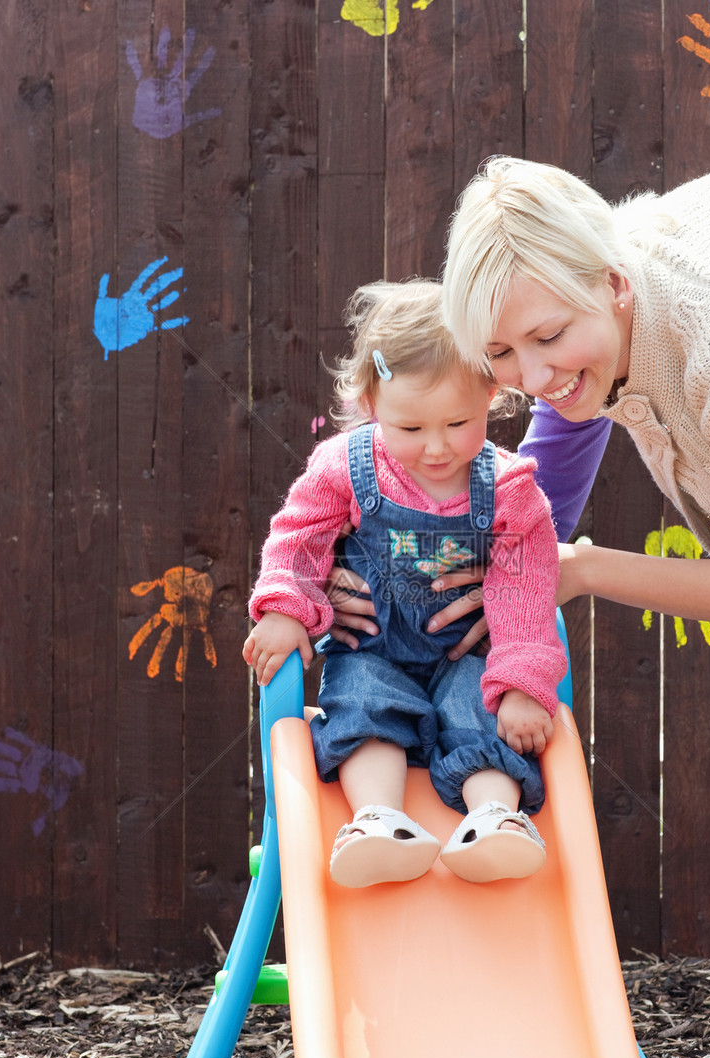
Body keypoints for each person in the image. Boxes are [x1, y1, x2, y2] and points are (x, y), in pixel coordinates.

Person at [424, 156, 710, 1058]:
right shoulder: (590, 324)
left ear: (611, 287)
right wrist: (423, 605)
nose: (530, 377)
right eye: (500, 355)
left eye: (546, 339)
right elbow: (536, 517)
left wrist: (580, 570)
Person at [243, 278, 567, 889]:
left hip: (466, 655)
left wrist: (524, 681)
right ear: (371, 404)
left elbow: (526, 585)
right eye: (411, 428)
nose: (438, 447)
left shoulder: (510, 489)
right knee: (362, 709)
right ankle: (378, 821)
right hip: (374, 649)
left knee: (483, 712)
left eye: (458, 422)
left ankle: (494, 817)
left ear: (491, 393)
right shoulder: (346, 465)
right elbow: (300, 538)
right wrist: (288, 607)